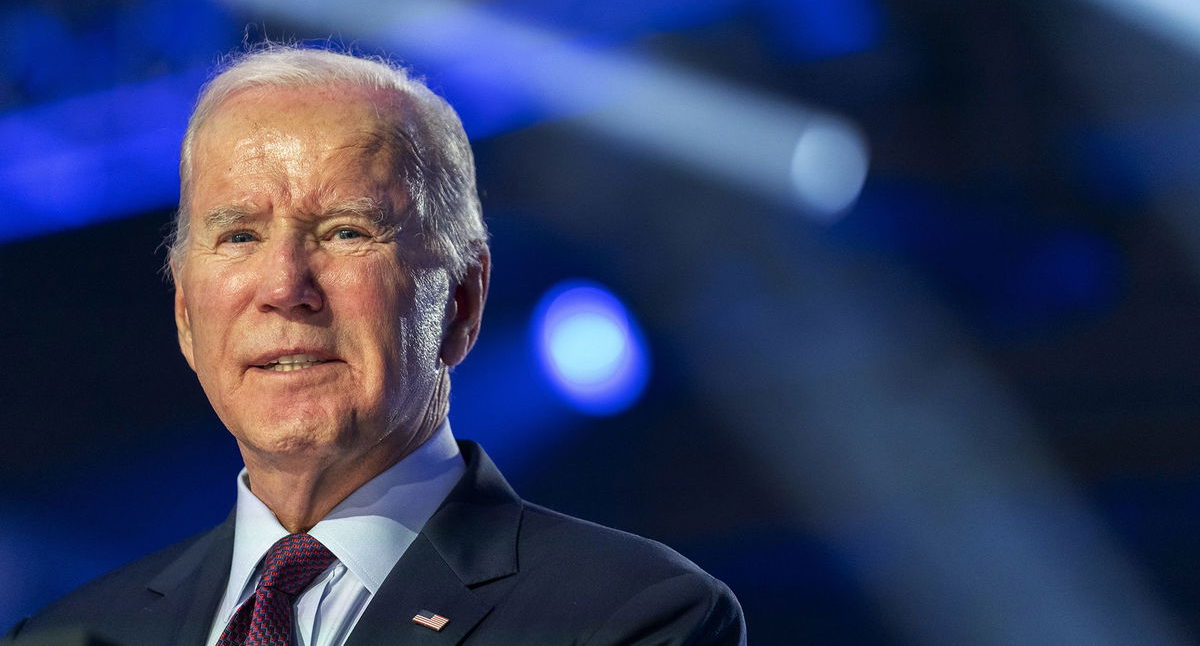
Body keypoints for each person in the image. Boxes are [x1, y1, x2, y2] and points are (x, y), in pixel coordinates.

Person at [6, 45, 745, 646]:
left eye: (345, 231)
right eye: (238, 236)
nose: (284, 284)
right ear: (185, 316)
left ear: (460, 299)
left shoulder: (633, 616)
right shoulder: (68, 636)